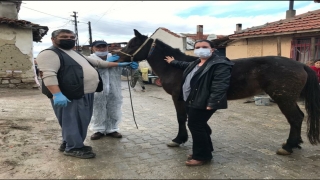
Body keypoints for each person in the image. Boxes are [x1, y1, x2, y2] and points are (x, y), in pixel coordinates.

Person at [36, 29, 133, 159]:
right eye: (64, 37)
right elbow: (48, 75)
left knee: (79, 121)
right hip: (69, 95)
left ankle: (69, 143)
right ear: (53, 39)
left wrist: (119, 64)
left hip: (82, 93)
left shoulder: (73, 53)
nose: (69, 39)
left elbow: (98, 63)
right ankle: (74, 147)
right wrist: (57, 94)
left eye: (72, 37)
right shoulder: (49, 53)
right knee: (72, 122)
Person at [164, 40, 234, 166]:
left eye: (205, 47)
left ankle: (202, 156)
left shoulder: (220, 63)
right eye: (198, 47)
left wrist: (213, 102)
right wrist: (173, 62)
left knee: (195, 126)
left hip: (203, 101)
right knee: (200, 125)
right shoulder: (197, 62)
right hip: (191, 100)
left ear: (212, 49)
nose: (201, 49)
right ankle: (206, 149)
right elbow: (185, 65)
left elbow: (220, 85)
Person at [88, 40, 139, 140]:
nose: (101, 49)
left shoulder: (117, 58)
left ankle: (112, 129)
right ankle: (98, 130)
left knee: (114, 109)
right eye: (98, 47)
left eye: (103, 46)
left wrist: (133, 68)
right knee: (98, 109)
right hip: (97, 91)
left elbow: (125, 73)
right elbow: (90, 72)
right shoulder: (89, 59)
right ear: (92, 48)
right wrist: (107, 63)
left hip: (114, 89)